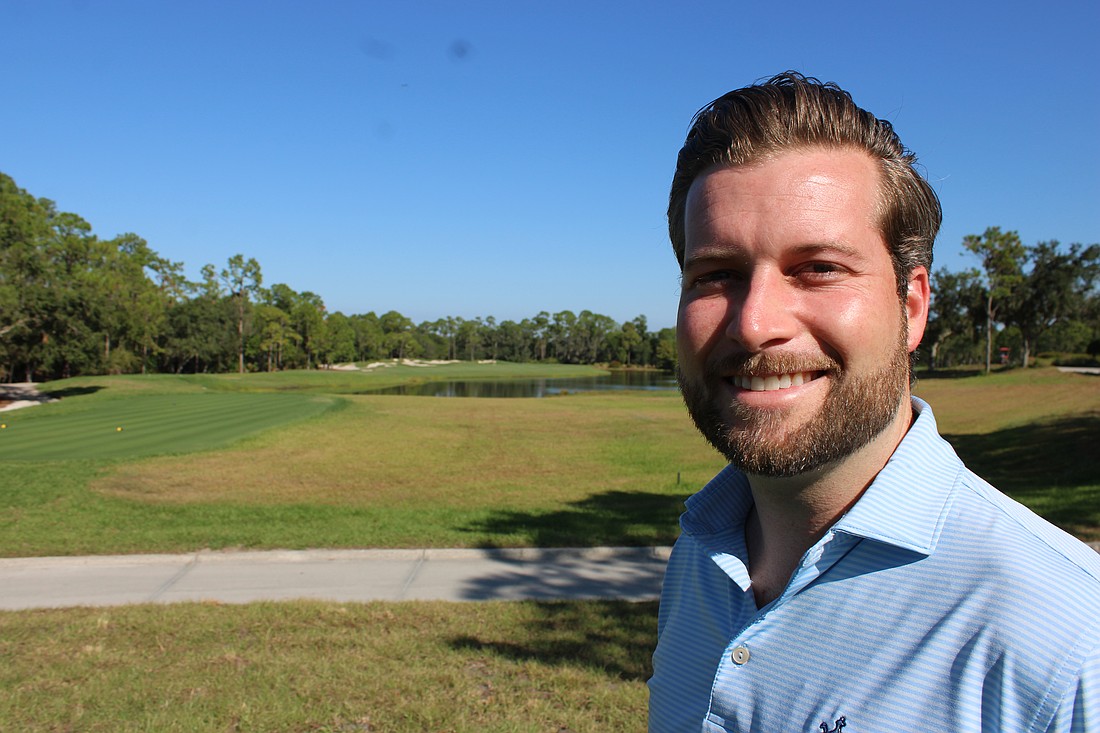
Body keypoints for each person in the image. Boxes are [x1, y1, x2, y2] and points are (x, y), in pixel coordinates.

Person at [648, 71, 1100, 732]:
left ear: (911, 306)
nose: (754, 324)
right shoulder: (701, 554)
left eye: (819, 268)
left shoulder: (1070, 642)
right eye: (717, 275)